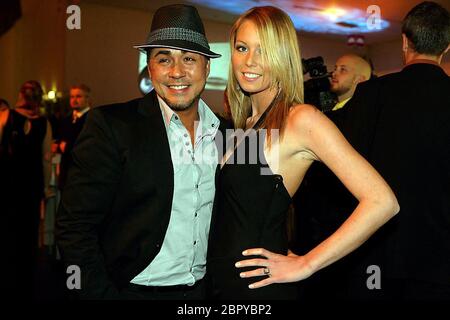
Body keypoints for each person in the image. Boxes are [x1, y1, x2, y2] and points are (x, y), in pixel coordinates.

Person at [206, 6, 399, 300]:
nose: (250, 61)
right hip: (220, 286)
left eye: (264, 50)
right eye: (242, 47)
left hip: (258, 291)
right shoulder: (242, 123)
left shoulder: (300, 119)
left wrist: (307, 263)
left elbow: (382, 202)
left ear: (283, 56)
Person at [56, 4, 223, 300]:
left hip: (203, 293)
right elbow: (75, 226)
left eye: (188, 58)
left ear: (206, 67)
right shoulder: (111, 126)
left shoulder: (227, 134)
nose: (176, 72)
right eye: (163, 59)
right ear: (150, 67)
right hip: (133, 291)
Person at [335, 1, 450, 301]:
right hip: (439, 262)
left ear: (404, 42)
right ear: (446, 47)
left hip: (374, 255)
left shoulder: (371, 94)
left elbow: (342, 175)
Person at [0, 80, 53, 299]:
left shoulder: (5, 116)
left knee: (7, 232)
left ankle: (8, 279)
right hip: (31, 184)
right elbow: (46, 159)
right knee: (29, 235)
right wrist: (47, 186)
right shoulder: (44, 123)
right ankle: (25, 281)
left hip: (8, 183)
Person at [55, 84, 92, 190]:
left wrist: (66, 146)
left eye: (78, 96)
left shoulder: (92, 120)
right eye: (72, 97)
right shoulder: (66, 120)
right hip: (66, 173)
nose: (74, 100)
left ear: (87, 99)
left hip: (82, 173)